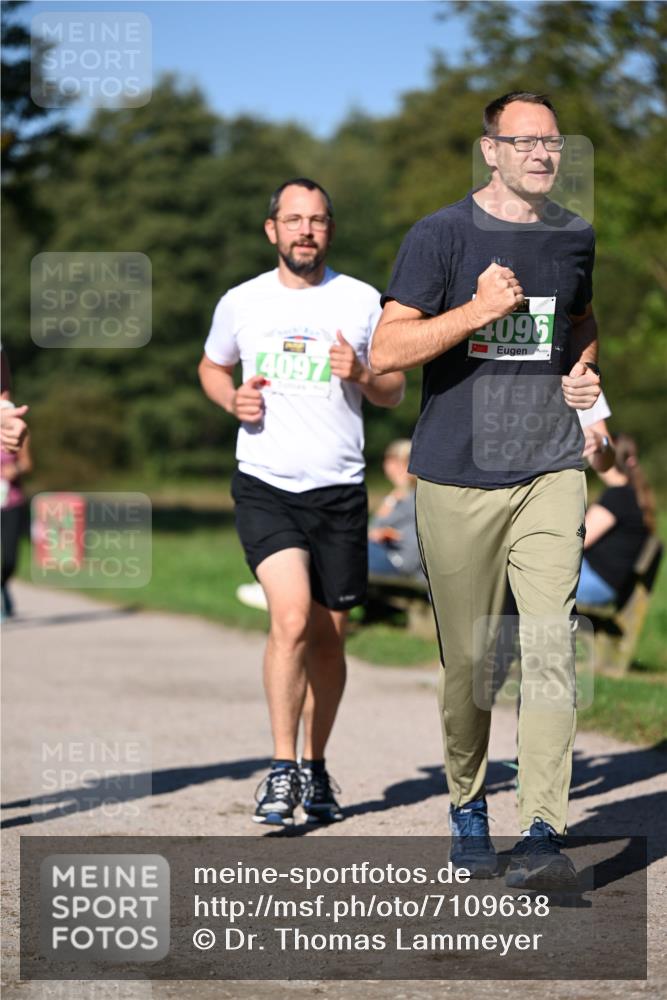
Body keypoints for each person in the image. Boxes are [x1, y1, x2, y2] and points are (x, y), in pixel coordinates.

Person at [370, 92, 601, 888]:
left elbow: (579, 320)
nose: (543, 152)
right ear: (490, 151)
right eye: (524, 140)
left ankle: (541, 830)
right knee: (472, 667)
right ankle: (467, 802)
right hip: (454, 474)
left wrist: (585, 381)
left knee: (547, 650)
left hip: (549, 466)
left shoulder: (574, 235)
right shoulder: (441, 235)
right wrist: (475, 309)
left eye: (552, 141)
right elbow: (385, 352)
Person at [199, 178, 405, 826]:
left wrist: (363, 374)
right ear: (272, 230)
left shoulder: (362, 301)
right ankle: (281, 768)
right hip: (265, 484)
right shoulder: (242, 301)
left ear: (329, 231)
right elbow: (211, 365)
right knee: (288, 619)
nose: (305, 231)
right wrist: (231, 398)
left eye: (316, 220)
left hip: (338, 490)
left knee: (328, 641)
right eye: (293, 220)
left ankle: (315, 766)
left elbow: (395, 390)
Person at [577, 433, 656, 605]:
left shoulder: (618, 496)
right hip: (603, 582)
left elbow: (578, 540)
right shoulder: (631, 495)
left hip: (595, 582)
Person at [368, 439, 422, 578]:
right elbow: (375, 527)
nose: (394, 467)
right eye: (392, 461)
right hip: (387, 554)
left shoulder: (414, 498)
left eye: (401, 462)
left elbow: (416, 539)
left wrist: (391, 535)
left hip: (401, 560)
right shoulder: (396, 497)